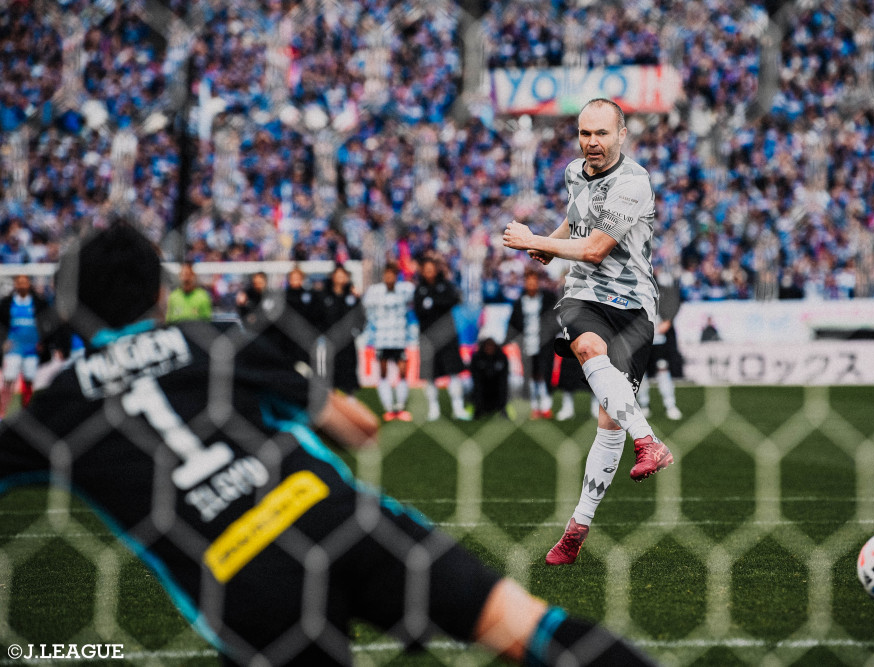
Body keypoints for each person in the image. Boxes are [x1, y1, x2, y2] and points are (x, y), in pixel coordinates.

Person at [0, 222, 657, 667]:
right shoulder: (214, 337)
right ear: (160, 293)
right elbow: (357, 427)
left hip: (241, 578)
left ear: (72, 308)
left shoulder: (59, 405)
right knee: (529, 628)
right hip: (337, 518)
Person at [503, 97, 673, 566]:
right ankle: (649, 442)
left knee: (609, 421)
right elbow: (577, 221)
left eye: (601, 133)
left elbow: (597, 247)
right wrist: (552, 244)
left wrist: (534, 241)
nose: (592, 142)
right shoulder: (574, 172)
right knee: (586, 346)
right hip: (584, 295)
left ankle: (578, 527)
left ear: (622, 135)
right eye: (584, 133)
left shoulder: (633, 183)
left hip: (633, 305)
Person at [413, 255, 470, 421]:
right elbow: (419, 310)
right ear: (422, 272)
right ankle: (433, 410)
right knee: (430, 375)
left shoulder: (445, 285)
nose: (429, 273)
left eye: (431, 269)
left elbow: (453, 300)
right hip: (428, 338)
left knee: (454, 372)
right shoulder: (419, 290)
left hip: (448, 336)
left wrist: (433, 302)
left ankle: (458, 408)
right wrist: (437, 303)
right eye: (426, 270)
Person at [364, 261, 414, 421]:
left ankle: (400, 406)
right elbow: (367, 310)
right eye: (387, 274)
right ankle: (388, 408)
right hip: (382, 339)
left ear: (396, 276)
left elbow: (415, 298)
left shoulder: (405, 290)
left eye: (392, 274)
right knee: (383, 373)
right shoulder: (375, 291)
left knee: (403, 372)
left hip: (399, 339)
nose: (389, 277)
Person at [506, 269, 559, 419]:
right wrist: (510, 340)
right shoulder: (519, 302)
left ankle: (546, 406)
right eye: (528, 281)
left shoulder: (548, 299)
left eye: (534, 281)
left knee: (544, 373)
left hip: (544, 342)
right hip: (527, 344)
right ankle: (535, 407)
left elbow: (555, 318)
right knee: (531, 375)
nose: (531, 284)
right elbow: (513, 324)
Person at [0, 274, 50, 415]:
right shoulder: (7, 303)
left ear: (29, 284)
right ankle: (2, 411)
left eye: (24, 282)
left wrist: (43, 343)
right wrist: (3, 342)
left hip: (32, 348)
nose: (22, 285)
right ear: (15, 284)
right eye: (19, 282)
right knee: (8, 380)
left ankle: (27, 411)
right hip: (14, 348)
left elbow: (47, 323)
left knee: (29, 381)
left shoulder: (38, 303)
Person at [638, 269, 683, 420]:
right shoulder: (634, 290)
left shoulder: (662, 291)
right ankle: (644, 404)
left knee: (663, 368)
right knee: (640, 372)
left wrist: (668, 320)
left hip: (659, 338)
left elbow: (673, 300)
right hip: (640, 339)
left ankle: (670, 404)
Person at [318, 264, 364, 396]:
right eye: (338, 275)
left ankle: (350, 397)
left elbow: (360, 316)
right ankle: (330, 399)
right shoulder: (324, 296)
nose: (340, 278)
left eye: (343, 275)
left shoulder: (352, 296)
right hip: (330, 340)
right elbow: (317, 317)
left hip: (347, 340)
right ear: (333, 277)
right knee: (330, 370)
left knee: (349, 369)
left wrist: (356, 331)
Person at [469, 336, 510, 418]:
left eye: (491, 346)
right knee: (471, 385)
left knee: (506, 384)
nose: (489, 348)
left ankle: (502, 408)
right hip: (482, 384)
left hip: (497, 384)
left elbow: (504, 376)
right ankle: (478, 409)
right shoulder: (477, 357)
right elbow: (475, 376)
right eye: (487, 346)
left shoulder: (501, 357)